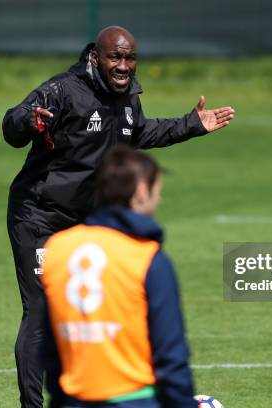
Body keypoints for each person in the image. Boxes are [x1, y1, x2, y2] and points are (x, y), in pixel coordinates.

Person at [2, 25, 234, 408]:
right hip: (39, 215)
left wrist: (192, 124)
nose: (124, 66)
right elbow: (12, 124)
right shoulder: (63, 90)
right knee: (43, 311)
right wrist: (28, 121)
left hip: (87, 221)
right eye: (116, 57)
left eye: (130, 58)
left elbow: (138, 133)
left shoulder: (127, 98)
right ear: (96, 57)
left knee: (89, 309)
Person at [40, 145, 197, 408]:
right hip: (134, 400)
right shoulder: (147, 257)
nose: (159, 200)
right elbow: (171, 355)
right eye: (157, 191)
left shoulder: (57, 248)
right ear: (141, 191)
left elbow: (51, 347)